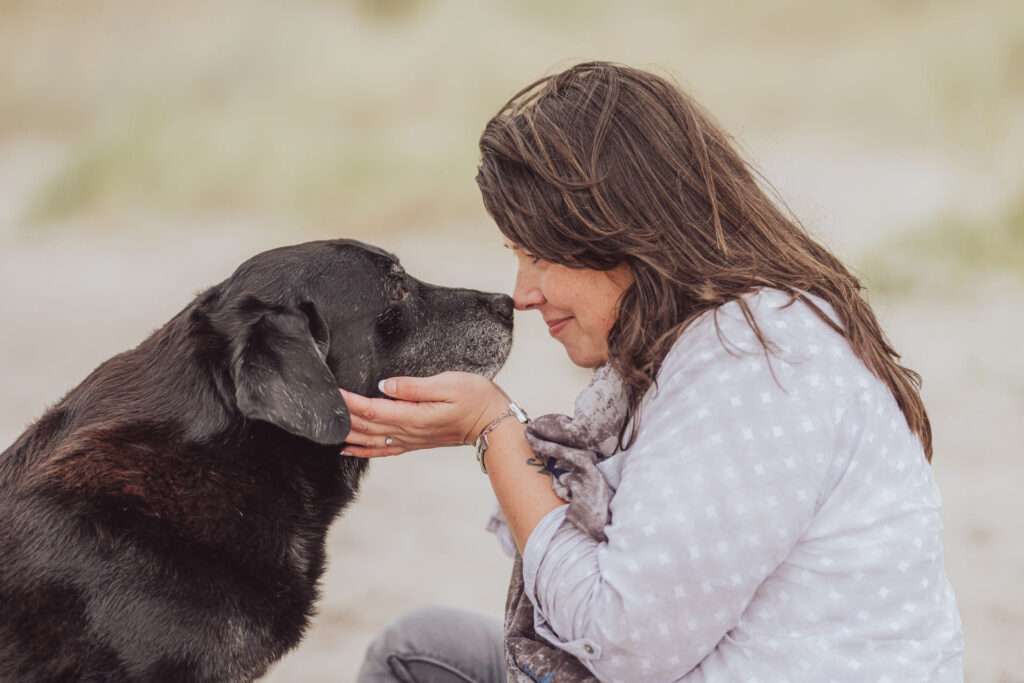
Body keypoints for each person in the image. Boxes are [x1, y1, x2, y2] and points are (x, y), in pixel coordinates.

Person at [342, 62, 964, 682]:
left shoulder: (757, 364)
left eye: (538, 255)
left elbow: (621, 643)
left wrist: (493, 429)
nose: (522, 294)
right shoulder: (723, 338)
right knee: (420, 647)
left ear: (624, 231)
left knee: (415, 660)